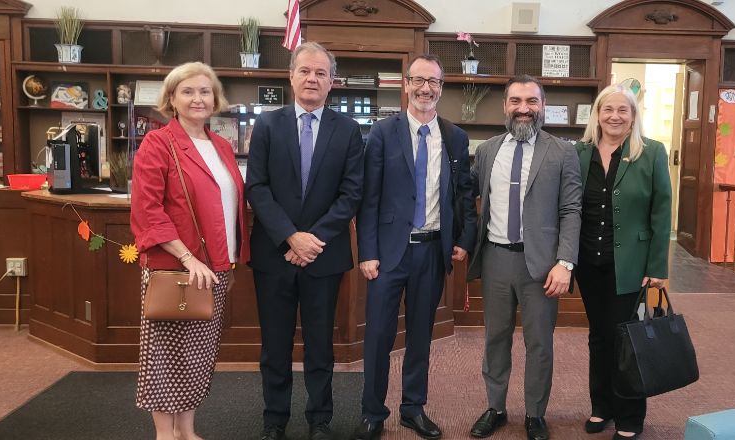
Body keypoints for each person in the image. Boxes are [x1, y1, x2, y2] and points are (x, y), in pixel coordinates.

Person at [352, 54, 477, 440]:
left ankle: (413, 408)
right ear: (406, 84)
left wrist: (462, 240)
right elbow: (368, 198)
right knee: (378, 336)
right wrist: (367, 251)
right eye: (419, 80)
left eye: (434, 82)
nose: (426, 88)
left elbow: (464, 194)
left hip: (431, 252)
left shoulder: (455, 137)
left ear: (442, 87)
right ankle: (373, 412)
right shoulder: (381, 133)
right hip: (388, 253)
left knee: (422, 334)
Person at [245, 42, 364, 440]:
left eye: (321, 73)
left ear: (332, 82)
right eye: (305, 71)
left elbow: (351, 194)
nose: (312, 79)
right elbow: (257, 188)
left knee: (320, 346)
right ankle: (274, 420)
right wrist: (290, 237)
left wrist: (313, 240)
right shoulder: (267, 125)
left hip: (323, 257)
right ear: (291, 76)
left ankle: (319, 420)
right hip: (274, 254)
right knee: (275, 347)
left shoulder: (347, 130)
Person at [130, 61, 250, 440]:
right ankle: (165, 434)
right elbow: (148, 209)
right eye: (188, 91)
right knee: (166, 356)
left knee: (198, 356)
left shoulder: (222, 146)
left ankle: (187, 430)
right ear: (172, 99)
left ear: (215, 98)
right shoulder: (158, 143)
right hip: (177, 268)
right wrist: (187, 257)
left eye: (204, 91)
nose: (197, 98)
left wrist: (226, 261)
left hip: (217, 267)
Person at [466, 75, 582, 440]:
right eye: (516, 101)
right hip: (496, 259)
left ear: (542, 105)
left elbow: (572, 209)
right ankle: (496, 408)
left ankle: (535, 414)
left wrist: (565, 262)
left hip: (543, 266)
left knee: (539, 343)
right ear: (505, 106)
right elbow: (469, 201)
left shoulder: (563, 152)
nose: (524, 109)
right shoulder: (486, 151)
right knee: (495, 339)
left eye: (531, 101)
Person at [573, 84, 672, 440]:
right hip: (588, 262)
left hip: (631, 264)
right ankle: (601, 408)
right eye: (607, 109)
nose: (614, 116)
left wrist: (658, 267)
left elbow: (662, 212)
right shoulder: (580, 153)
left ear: (633, 116)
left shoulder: (652, 153)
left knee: (627, 340)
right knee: (599, 337)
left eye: (622, 110)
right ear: (597, 115)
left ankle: (630, 417)